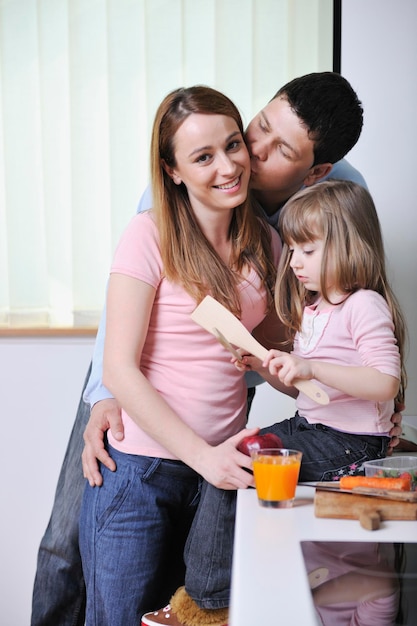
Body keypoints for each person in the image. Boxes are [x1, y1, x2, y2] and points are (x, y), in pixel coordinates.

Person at [30, 72, 403, 626]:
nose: (244, 155)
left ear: (314, 171)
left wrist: (364, 396)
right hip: (139, 431)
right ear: (175, 171)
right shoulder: (156, 220)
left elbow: (339, 317)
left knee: (176, 583)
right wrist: (108, 391)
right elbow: (123, 341)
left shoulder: (311, 214)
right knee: (68, 551)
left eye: (272, 149)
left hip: (219, 420)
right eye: (257, 127)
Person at [141, 180, 407, 626]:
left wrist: (312, 368)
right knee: (231, 456)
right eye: (292, 250)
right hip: (315, 429)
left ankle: (207, 603)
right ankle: (210, 594)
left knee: (241, 464)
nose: (294, 263)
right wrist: (264, 367)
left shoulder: (365, 306)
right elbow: (308, 393)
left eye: (307, 251)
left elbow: (384, 382)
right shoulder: (317, 310)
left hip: (354, 444)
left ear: (347, 247)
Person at [77, 85, 281, 625]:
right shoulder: (148, 236)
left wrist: (316, 374)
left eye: (233, 145)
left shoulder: (269, 243)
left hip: (217, 481)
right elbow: (119, 367)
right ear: (172, 171)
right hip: (138, 474)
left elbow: (283, 356)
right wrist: (205, 457)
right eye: (203, 157)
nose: (228, 166)